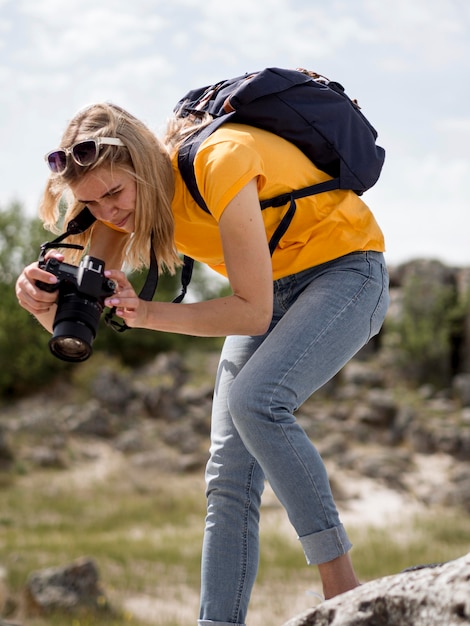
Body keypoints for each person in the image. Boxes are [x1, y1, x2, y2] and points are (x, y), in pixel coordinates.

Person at [16, 99, 389, 626]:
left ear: (142, 164)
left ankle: (341, 587)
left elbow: (252, 311)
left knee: (256, 401)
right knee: (229, 469)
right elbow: (79, 320)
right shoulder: (114, 206)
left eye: (114, 193)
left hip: (346, 274)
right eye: (90, 202)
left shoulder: (220, 160)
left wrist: (145, 312)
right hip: (273, 292)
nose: (107, 212)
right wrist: (39, 299)